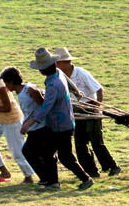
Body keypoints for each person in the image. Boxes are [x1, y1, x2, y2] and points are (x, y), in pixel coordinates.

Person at [20, 48, 94, 191]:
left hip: (60, 126)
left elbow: (46, 107)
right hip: (64, 121)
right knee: (49, 153)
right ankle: (53, 182)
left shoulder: (53, 84)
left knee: (65, 157)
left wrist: (29, 122)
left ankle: (85, 178)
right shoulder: (58, 74)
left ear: (41, 70)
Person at [52, 47, 121, 179]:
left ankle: (113, 166)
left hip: (89, 107)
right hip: (74, 110)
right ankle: (91, 170)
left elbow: (99, 89)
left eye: (57, 63)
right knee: (79, 142)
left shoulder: (81, 73)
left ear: (63, 62)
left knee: (96, 141)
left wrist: (97, 107)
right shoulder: (60, 76)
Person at [0, 66, 52, 186]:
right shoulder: (20, 92)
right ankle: (46, 178)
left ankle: (46, 178)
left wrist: (29, 122)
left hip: (41, 126)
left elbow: (42, 107)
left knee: (29, 151)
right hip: (33, 128)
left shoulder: (30, 90)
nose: (5, 86)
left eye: (6, 83)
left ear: (12, 82)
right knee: (34, 152)